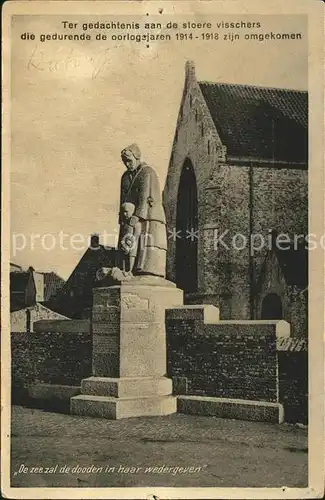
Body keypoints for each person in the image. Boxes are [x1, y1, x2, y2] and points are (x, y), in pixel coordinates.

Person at [118, 143, 167, 277]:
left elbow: (145, 196)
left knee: (145, 244)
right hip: (129, 217)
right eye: (124, 162)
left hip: (147, 217)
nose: (127, 164)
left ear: (137, 157)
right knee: (127, 245)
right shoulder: (125, 178)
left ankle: (144, 269)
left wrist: (138, 216)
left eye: (129, 161)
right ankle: (127, 269)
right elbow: (122, 200)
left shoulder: (147, 172)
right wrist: (122, 220)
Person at [118, 202, 141, 274]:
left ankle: (130, 270)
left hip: (132, 243)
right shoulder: (124, 224)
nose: (124, 214)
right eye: (123, 212)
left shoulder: (136, 223)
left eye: (126, 212)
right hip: (124, 242)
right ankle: (124, 270)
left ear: (132, 211)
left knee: (131, 254)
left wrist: (131, 241)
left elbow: (137, 234)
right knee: (123, 255)